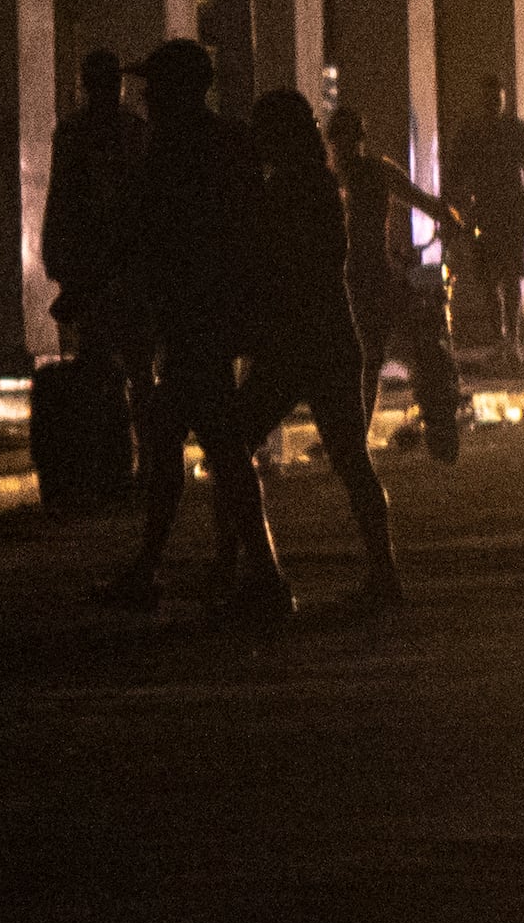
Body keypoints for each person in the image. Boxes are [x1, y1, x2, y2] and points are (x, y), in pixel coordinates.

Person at [94, 38, 288, 621]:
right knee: (177, 439)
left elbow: (143, 225)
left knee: (215, 448)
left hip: (196, 317)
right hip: (205, 317)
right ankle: (157, 567)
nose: (145, 95)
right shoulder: (221, 143)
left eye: (155, 85)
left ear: (181, 89)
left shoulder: (179, 149)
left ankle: (263, 579)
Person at [241, 89, 401, 604]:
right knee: (353, 461)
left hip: (295, 343)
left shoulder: (289, 190)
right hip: (331, 338)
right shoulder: (321, 185)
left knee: (233, 445)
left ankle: (253, 577)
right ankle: (384, 573)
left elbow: (274, 265)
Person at [36, 47, 150, 509]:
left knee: (102, 366)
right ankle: (138, 463)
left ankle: (110, 461)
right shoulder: (133, 132)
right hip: (126, 269)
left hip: (96, 269)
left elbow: (60, 198)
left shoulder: (75, 133)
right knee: (137, 370)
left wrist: (59, 262)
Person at [328, 94, 468, 466]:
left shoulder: (343, 177)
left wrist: (447, 215)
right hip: (366, 274)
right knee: (386, 350)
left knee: (371, 355)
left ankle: (359, 436)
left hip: (363, 274)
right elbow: (426, 202)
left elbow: (423, 201)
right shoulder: (365, 173)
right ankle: (362, 434)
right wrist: (449, 218)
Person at [447, 73, 524, 360]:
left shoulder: (517, 131)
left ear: (503, 100)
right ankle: (502, 337)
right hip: (485, 212)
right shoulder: (470, 133)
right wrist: (461, 207)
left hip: (509, 212)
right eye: (489, 100)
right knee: (488, 276)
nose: (493, 105)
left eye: (496, 100)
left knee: (509, 274)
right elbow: (455, 173)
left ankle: (510, 338)